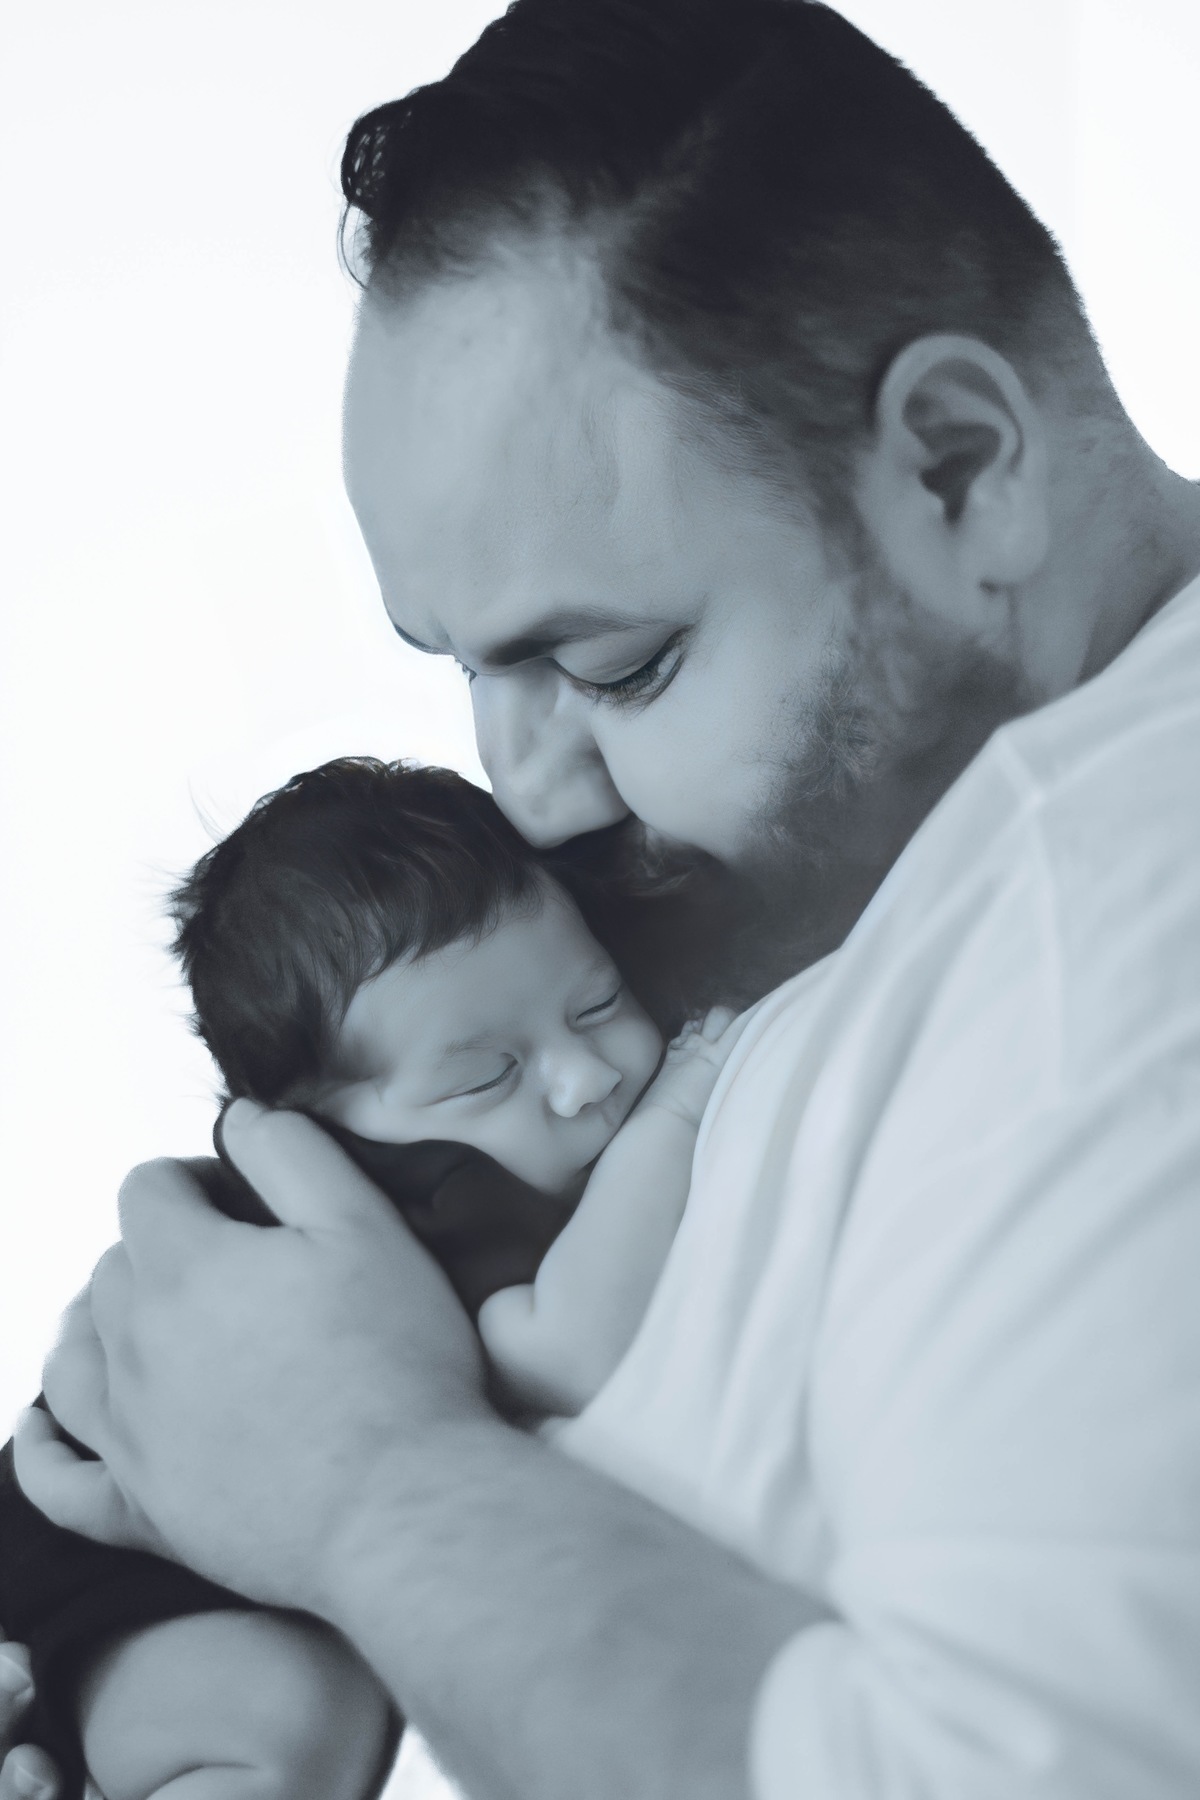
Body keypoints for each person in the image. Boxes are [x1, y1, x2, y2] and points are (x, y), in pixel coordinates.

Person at [5, 1, 1200, 1796]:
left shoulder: (1115, 927)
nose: (530, 789)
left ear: (957, 467)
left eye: (618, 666)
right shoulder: (886, 860)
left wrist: (363, 1488)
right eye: (469, 668)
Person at [0, 756, 740, 1800]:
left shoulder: (473, 1137)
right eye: (486, 1077)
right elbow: (567, 1347)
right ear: (320, 1130)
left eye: (596, 1001)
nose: (587, 1078)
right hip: (113, 1553)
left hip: (158, 1523)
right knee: (284, 1722)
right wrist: (678, 1112)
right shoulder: (427, 1191)